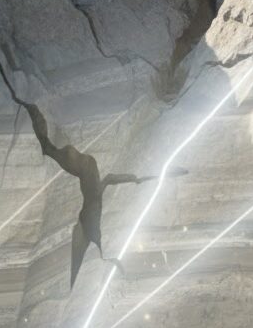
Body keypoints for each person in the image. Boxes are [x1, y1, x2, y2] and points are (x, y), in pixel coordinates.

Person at [28, 107, 187, 288]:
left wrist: (151, 176)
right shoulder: (94, 184)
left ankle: (89, 269)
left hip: (87, 204)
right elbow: (114, 179)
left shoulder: (94, 185)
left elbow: (115, 179)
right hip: (87, 207)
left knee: (50, 149)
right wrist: (147, 177)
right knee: (87, 251)